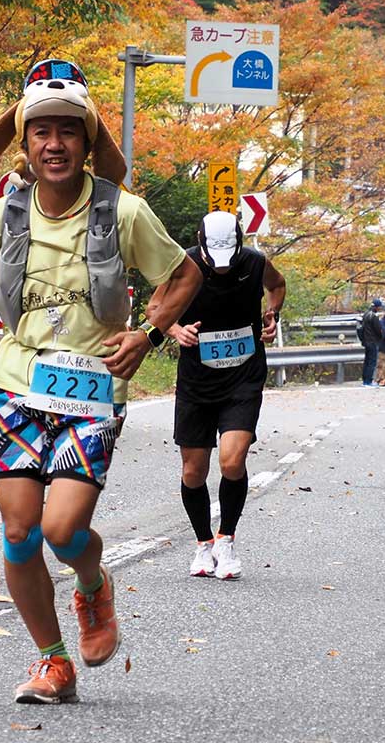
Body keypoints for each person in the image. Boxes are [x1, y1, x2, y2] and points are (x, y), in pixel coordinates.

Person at [0, 59, 203, 704]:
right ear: (26, 145)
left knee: (62, 532)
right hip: (15, 385)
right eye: (40, 132)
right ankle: (52, 663)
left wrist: (148, 331)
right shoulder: (4, 215)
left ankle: (91, 582)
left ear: (86, 144)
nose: (53, 143)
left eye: (67, 131)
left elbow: (185, 275)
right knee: (19, 532)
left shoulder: (125, 212)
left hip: (90, 388)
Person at [157, 211, 286, 581]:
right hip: (197, 380)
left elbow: (277, 286)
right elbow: (155, 309)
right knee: (193, 472)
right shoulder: (184, 264)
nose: (223, 268)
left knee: (232, 462)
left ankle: (226, 538)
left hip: (243, 375)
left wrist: (272, 313)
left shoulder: (256, 263)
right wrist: (176, 330)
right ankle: (203, 545)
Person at [360, 298, 384, 387]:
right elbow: (378, 330)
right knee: (372, 362)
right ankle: (369, 381)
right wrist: (381, 337)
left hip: (366, 341)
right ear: (377, 307)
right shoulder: (374, 316)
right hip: (373, 341)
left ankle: (364, 380)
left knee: (367, 361)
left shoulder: (366, 314)